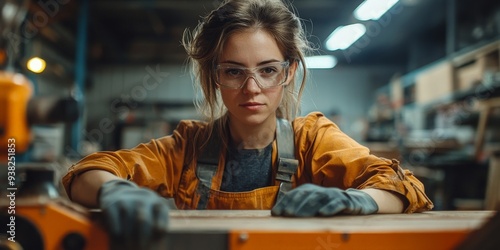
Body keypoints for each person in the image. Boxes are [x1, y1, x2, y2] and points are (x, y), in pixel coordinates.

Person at [62, 0, 433, 249]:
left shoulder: (312, 141)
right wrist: (114, 191)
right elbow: (88, 173)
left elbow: (403, 187)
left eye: (268, 70)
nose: (252, 89)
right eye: (234, 72)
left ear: (288, 73)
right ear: (215, 75)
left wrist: (355, 201)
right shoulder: (188, 145)